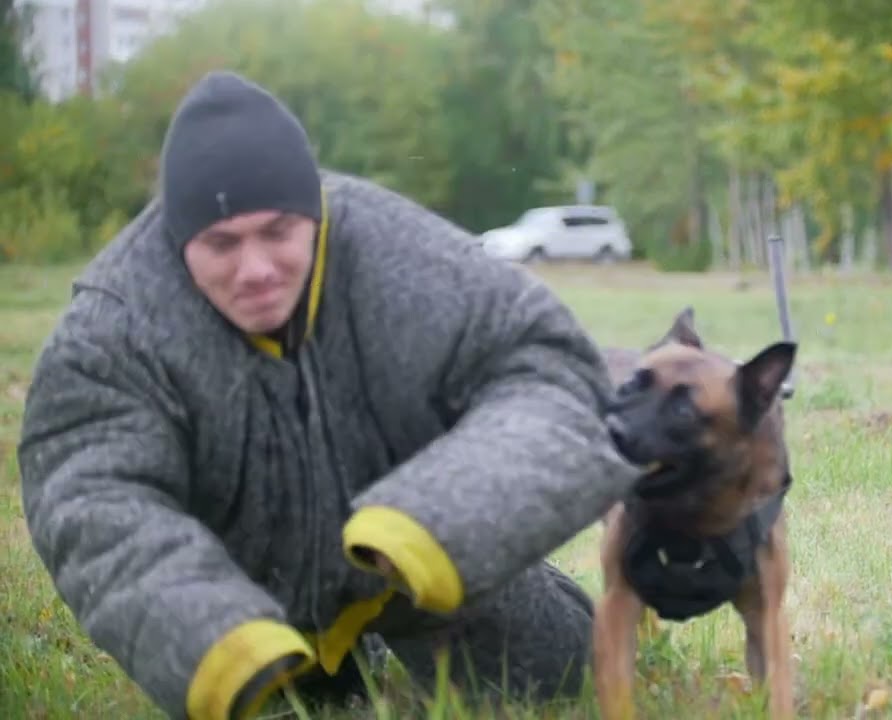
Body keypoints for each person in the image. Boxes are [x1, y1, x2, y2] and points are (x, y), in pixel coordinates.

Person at [18, 70, 641, 720]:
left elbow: (554, 372)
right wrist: (211, 635)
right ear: (178, 241)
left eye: (279, 232)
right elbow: (90, 495)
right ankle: (301, 656)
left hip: (418, 553)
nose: (255, 268)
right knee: (293, 704)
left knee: (557, 675)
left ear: (315, 213)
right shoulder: (114, 324)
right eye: (222, 244)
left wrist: (438, 522)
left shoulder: (396, 251)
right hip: (248, 591)